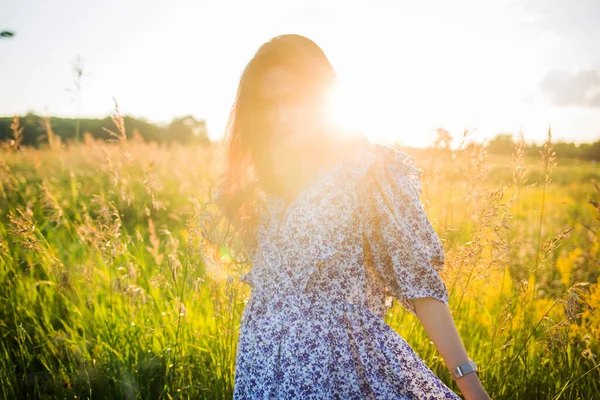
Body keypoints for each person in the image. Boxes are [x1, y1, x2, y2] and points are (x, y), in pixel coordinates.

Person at [214, 33, 491, 400]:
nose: (282, 117)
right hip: (260, 365)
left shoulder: (364, 169)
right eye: (268, 104)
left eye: (293, 100)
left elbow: (417, 281)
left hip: (337, 369)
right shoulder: (264, 182)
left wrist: (470, 385)